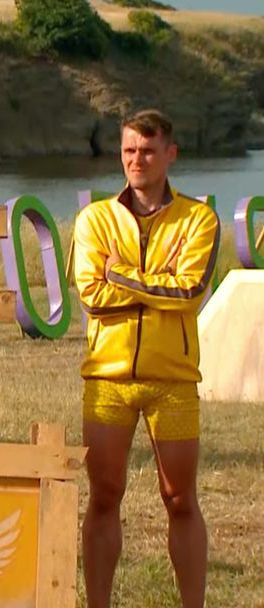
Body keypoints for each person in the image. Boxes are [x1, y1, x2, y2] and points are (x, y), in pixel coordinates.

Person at [73, 109, 217, 608]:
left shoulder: (198, 218)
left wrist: (121, 274)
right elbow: (91, 296)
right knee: (104, 494)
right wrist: (157, 286)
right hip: (108, 378)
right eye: (129, 150)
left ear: (170, 154)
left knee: (180, 498)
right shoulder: (94, 219)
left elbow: (189, 292)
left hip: (172, 380)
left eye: (149, 151)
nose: (137, 160)